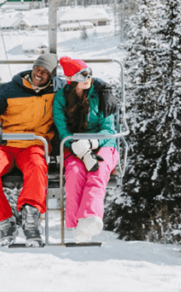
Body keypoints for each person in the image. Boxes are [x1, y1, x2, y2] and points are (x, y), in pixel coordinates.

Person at [0, 53, 116, 247]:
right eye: (37, 69)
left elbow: (81, 79)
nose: (39, 74)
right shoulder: (7, 90)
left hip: (34, 144)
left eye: (45, 72)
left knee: (37, 165)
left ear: (51, 75)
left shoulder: (57, 89)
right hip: (5, 144)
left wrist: (105, 88)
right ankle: (4, 221)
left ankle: (31, 218)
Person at [53, 56, 119, 244]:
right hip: (73, 145)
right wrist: (76, 146)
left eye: (89, 73)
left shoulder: (99, 96)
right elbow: (62, 129)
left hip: (103, 143)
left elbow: (108, 128)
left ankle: (90, 217)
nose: (88, 78)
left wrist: (92, 143)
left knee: (98, 171)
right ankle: (77, 226)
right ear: (71, 80)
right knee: (74, 173)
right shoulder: (61, 99)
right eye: (82, 75)